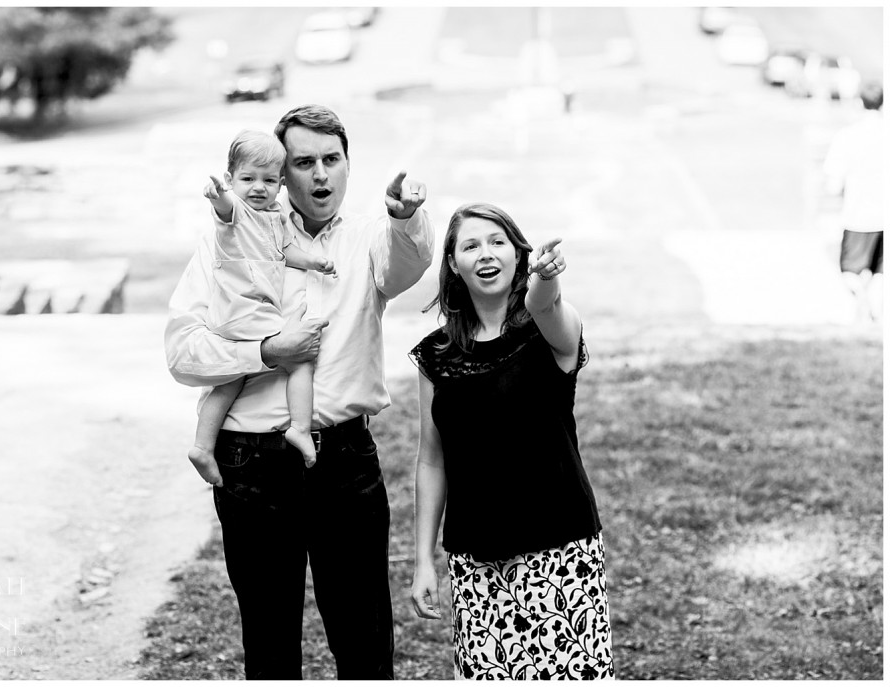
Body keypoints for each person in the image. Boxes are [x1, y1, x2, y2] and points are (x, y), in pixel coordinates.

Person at [164, 104, 434, 680]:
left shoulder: (369, 239)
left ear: (347, 166)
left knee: (364, 642)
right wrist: (262, 354)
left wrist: (408, 218)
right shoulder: (227, 240)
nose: (319, 175)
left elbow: (410, 263)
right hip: (251, 462)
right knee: (270, 645)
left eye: (331, 160)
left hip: (344, 459)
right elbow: (183, 353)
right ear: (279, 173)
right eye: (302, 162)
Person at [409, 203, 615, 680]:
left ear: (519, 256)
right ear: (454, 265)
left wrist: (546, 277)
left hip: (559, 552)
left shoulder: (551, 332)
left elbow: (544, 303)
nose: (486, 253)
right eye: (471, 245)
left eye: (498, 241)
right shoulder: (436, 356)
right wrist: (423, 561)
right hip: (477, 561)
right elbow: (431, 461)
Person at [189, 129, 337, 483]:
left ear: (281, 183)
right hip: (243, 309)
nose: (258, 187)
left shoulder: (275, 217)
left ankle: (202, 445)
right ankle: (300, 426)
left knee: (231, 381)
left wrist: (314, 261)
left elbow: (287, 253)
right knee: (299, 359)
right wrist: (219, 196)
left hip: (249, 312)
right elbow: (225, 209)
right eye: (247, 178)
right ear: (230, 179)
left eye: (269, 180)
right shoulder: (237, 212)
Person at [823, 81, 884, 324]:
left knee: (849, 271)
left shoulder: (848, 137)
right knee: (881, 273)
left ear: (860, 103)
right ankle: (877, 316)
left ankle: (862, 299)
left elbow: (833, 184)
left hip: (859, 217)